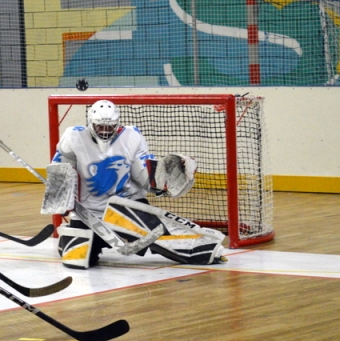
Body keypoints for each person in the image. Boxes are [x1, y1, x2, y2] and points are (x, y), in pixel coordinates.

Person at [51, 99, 225, 269]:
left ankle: (206, 250)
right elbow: (61, 169)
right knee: (77, 258)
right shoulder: (74, 136)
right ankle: (67, 241)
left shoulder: (131, 136)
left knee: (162, 237)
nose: (105, 131)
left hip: (125, 206)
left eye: (110, 126)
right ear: (91, 123)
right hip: (89, 213)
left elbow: (143, 175)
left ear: (117, 123)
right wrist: (60, 197)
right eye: (100, 126)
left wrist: (164, 181)